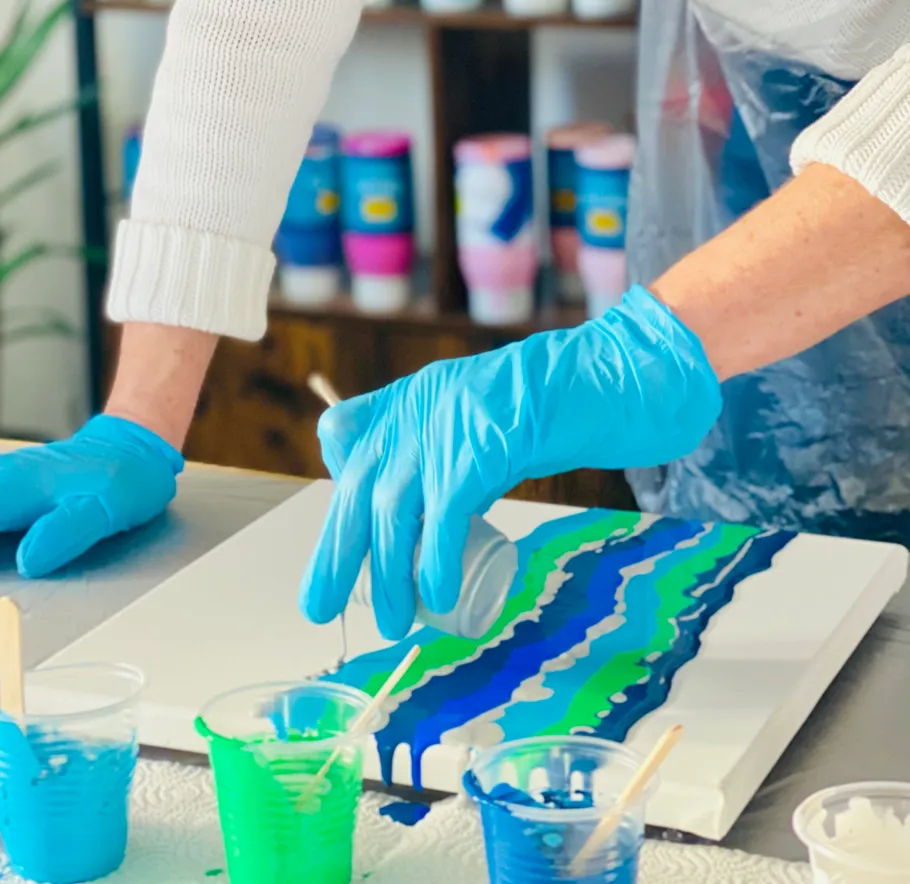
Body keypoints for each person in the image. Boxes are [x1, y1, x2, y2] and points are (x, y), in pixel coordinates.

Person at [1, 0, 909, 640]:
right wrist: (141, 417)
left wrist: (648, 349)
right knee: (779, 605)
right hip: (743, 99)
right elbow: (257, 19)